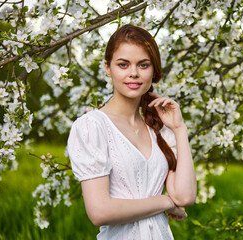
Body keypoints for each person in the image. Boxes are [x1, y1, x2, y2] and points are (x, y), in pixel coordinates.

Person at [67, 24, 197, 239]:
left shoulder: (160, 129)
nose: (134, 73)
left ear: (154, 70)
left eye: (143, 65)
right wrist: (165, 202)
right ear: (108, 68)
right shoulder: (92, 127)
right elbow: (100, 212)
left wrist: (179, 129)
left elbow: (184, 197)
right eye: (123, 64)